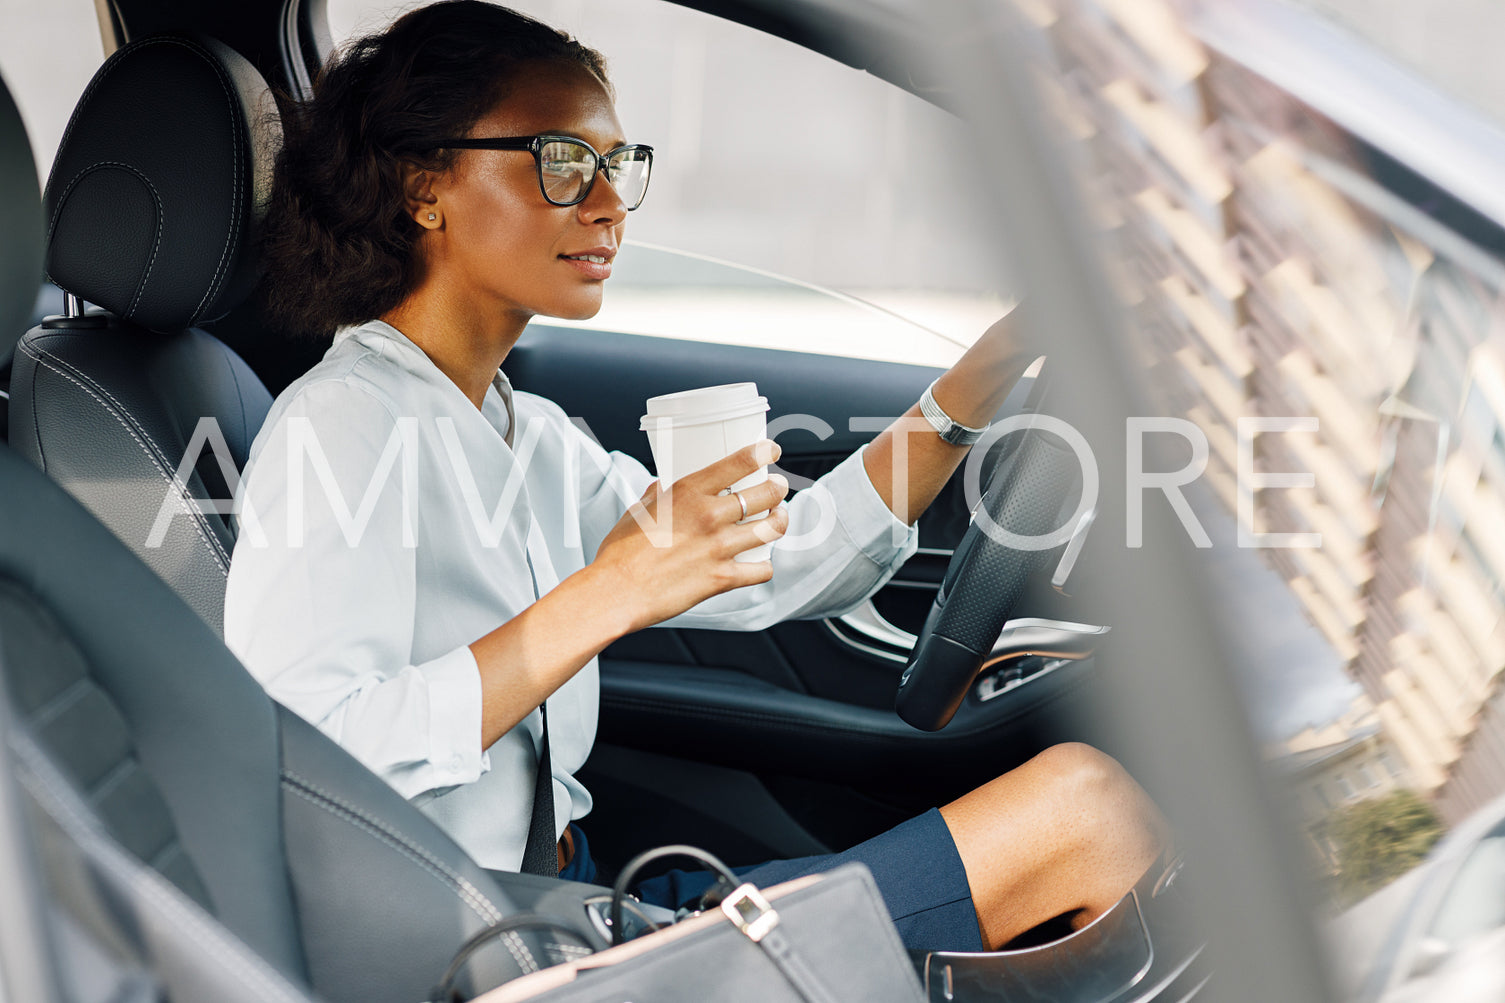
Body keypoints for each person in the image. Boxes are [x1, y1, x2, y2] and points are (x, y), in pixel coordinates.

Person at [225, 0, 1166, 953]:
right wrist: (610, 591)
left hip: (569, 899)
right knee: (1087, 812)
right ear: (424, 185)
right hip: (474, 951)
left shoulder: (526, 433)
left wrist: (990, 367)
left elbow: (785, 564)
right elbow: (305, 759)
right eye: (560, 161)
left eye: (614, 166)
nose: (603, 203)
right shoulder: (343, 426)